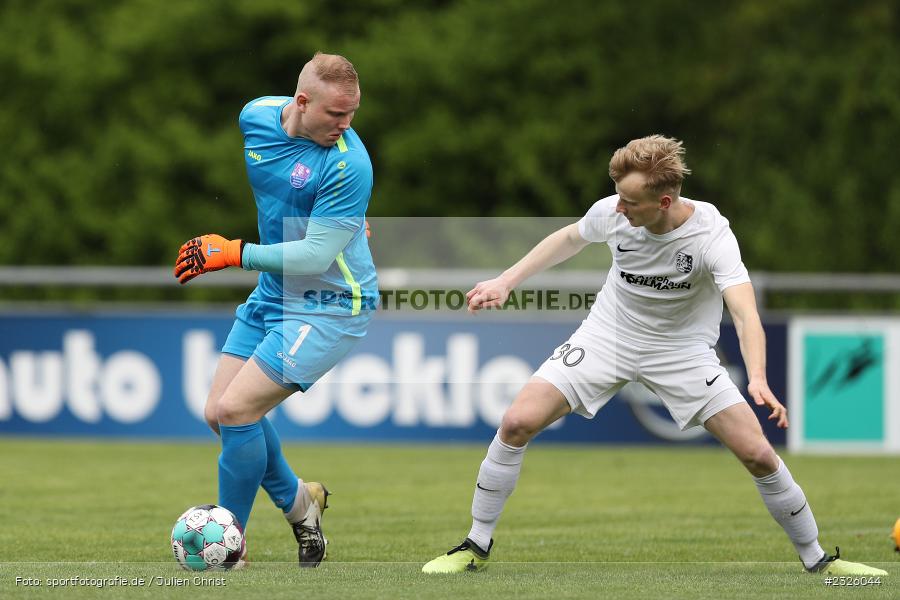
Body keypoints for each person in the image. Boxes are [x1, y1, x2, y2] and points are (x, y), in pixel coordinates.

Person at [422, 135, 886, 577]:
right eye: (617, 197)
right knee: (516, 422)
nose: (618, 208)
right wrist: (506, 281)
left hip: (681, 352)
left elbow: (745, 313)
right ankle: (475, 545)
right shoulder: (614, 211)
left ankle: (818, 559)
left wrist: (758, 377)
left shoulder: (711, 236)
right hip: (608, 336)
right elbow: (569, 238)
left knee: (758, 453)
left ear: (663, 201)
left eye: (629, 202)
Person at [173, 52, 377, 568]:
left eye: (352, 113)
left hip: (331, 304)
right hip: (274, 292)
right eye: (336, 114)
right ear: (301, 102)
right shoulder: (256, 115)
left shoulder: (350, 163)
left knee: (237, 411)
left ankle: (230, 545)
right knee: (218, 414)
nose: (346, 124)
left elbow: (315, 256)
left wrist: (233, 252)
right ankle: (300, 502)